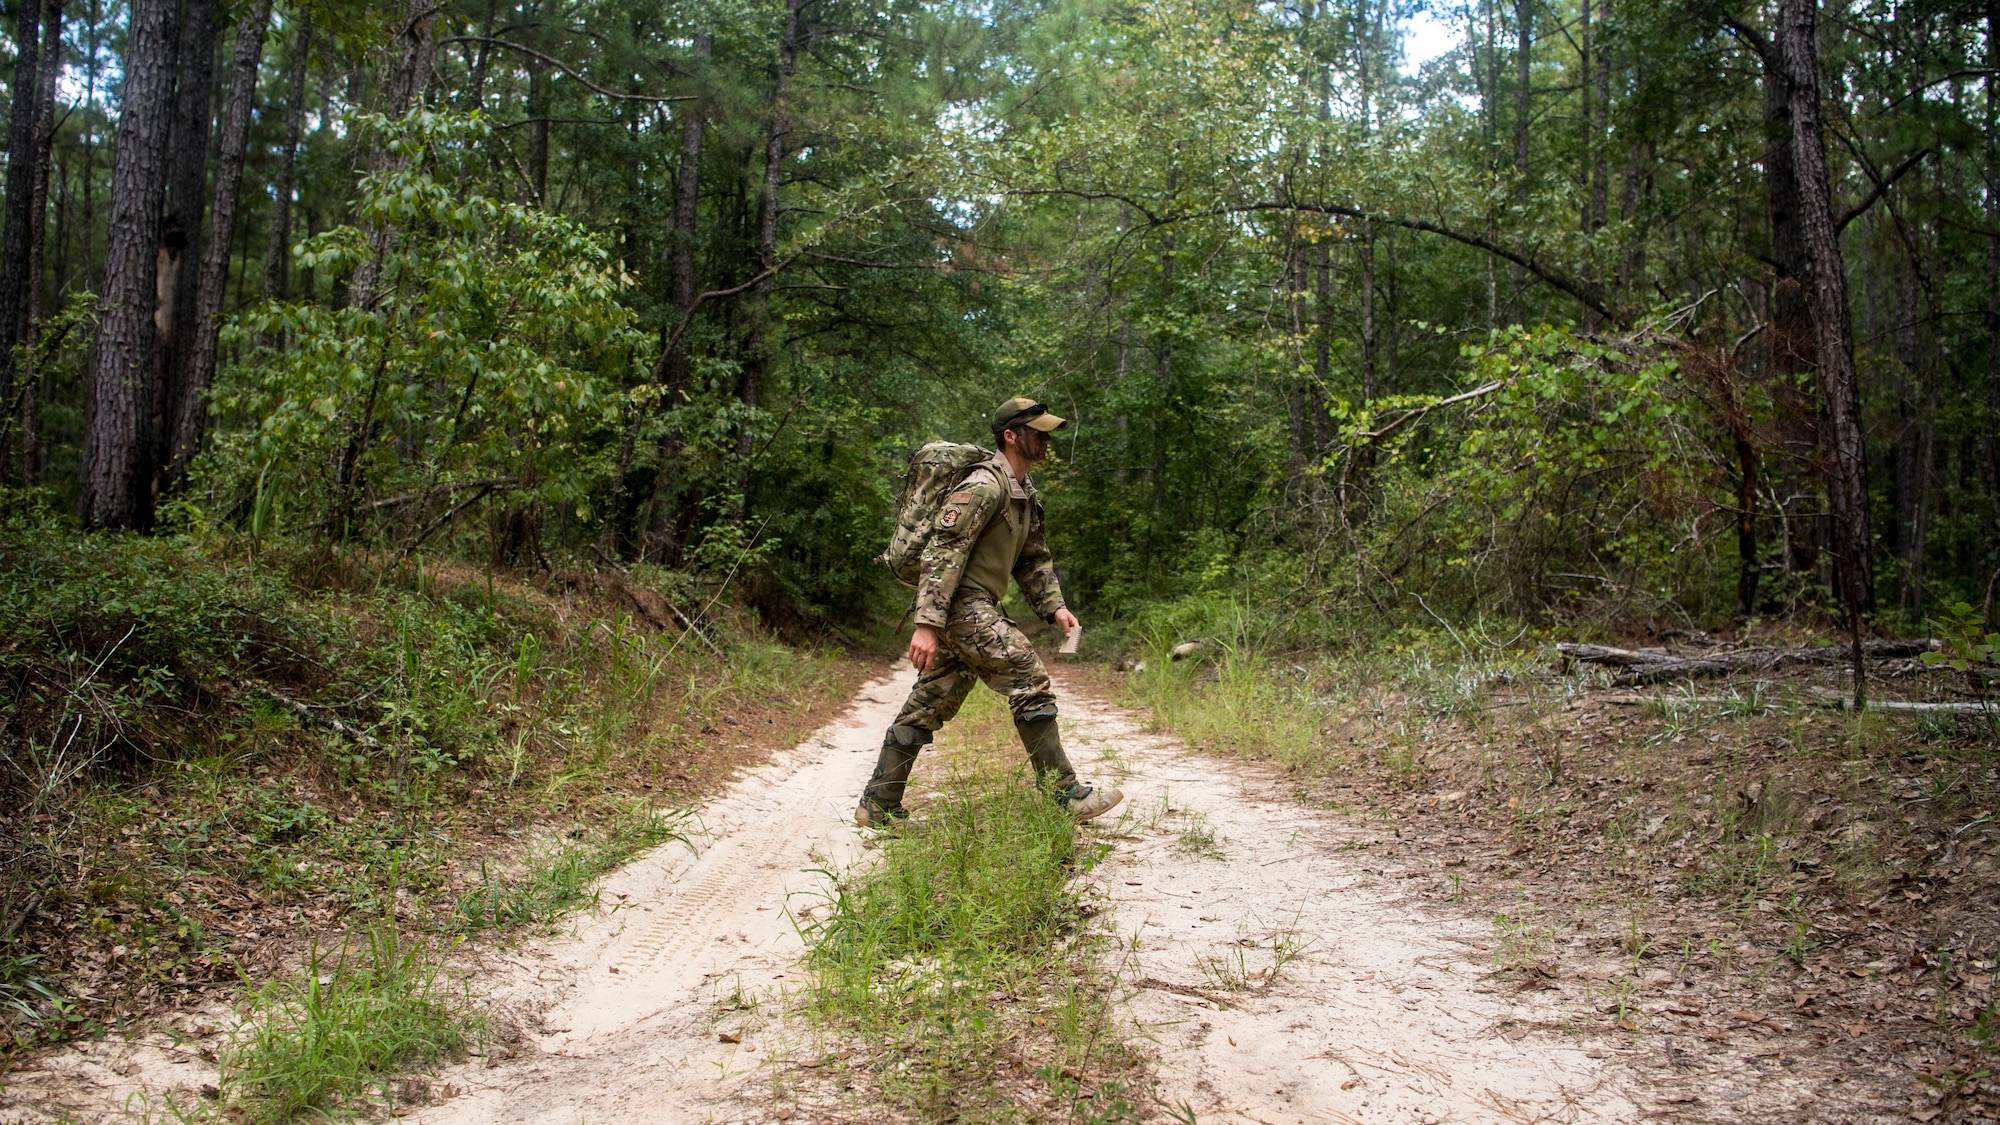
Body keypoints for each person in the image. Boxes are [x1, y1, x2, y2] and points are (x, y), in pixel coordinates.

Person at [856, 396, 1124, 827]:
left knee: (929, 702)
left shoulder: (1024, 491)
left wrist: (1055, 607)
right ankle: (1066, 797)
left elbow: (1033, 558)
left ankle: (879, 804)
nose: (1046, 438)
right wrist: (926, 625)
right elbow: (943, 554)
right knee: (1028, 677)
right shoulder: (982, 486)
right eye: (1038, 431)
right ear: (1012, 436)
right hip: (962, 605)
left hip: (971, 607)